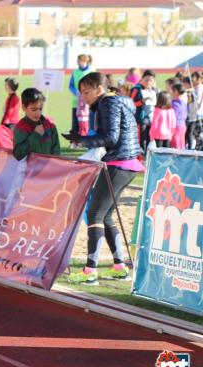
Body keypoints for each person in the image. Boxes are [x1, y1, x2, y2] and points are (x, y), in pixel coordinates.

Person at [62, 72, 143, 285]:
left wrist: (83, 140)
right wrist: (83, 139)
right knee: (104, 215)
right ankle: (120, 267)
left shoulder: (108, 104)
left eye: (87, 92)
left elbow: (110, 137)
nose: (84, 97)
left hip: (119, 162)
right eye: (81, 93)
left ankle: (90, 272)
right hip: (127, 162)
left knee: (94, 213)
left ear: (100, 89)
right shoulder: (117, 102)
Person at [12, 88, 60, 160]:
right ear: (24, 107)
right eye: (33, 109)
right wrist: (35, 135)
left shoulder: (50, 125)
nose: (38, 113)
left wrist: (53, 165)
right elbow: (18, 154)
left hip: (49, 169)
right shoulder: (20, 128)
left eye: (40, 109)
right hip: (30, 170)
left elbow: (56, 151)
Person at [130, 69, 157, 152]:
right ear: (142, 79)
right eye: (146, 80)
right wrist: (142, 101)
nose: (148, 82)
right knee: (141, 139)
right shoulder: (136, 89)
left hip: (151, 119)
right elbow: (131, 103)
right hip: (140, 119)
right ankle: (141, 155)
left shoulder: (154, 90)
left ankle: (148, 154)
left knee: (150, 138)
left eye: (151, 80)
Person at [69, 54, 95, 134]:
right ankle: (74, 141)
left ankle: (87, 139)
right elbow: (71, 86)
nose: (77, 63)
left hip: (89, 102)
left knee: (89, 121)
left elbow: (95, 85)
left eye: (79, 61)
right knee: (75, 122)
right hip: (76, 102)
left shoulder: (92, 71)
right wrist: (76, 92)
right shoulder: (75, 72)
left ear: (85, 61)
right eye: (77, 61)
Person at [183, 76, 200, 150]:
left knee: (187, 134)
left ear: (188, 84)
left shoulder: (190, 93)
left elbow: (188, 101)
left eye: (184, 84)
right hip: (193, 117)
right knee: (189, 134)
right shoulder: (193, 91)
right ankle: (188, 148)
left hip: (189, 117)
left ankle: (188, 149)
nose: (183, 86)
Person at [171, 83, 187, 149]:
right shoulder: (183, 102)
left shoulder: (174, 103)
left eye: (172, 91)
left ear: (176, 92)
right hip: (183, 125)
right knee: (181, 143)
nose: (171, 93)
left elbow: (173, 116)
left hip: (176, 126)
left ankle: (177, 158)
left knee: (176, 144)